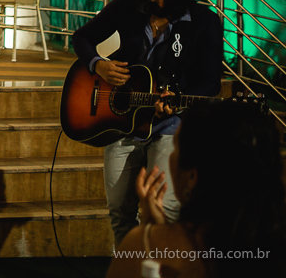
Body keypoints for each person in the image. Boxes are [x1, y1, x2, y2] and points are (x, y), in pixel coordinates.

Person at [72, 0, 223, 247]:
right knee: (119, 209)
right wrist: (98, 65)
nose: (161, 4)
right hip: (121, 122)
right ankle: (128, 266)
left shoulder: (204, 22)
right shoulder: (130, 5)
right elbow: (82, 38)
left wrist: (176, 98)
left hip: (169, 127)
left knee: (165, 210)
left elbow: (210, 83)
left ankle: (159, 268)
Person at [105, 101, 286, 277]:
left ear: (192, 176)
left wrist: (151, 237)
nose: (169, 156)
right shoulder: (269, 247)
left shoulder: (147, 244)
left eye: (175, 148)